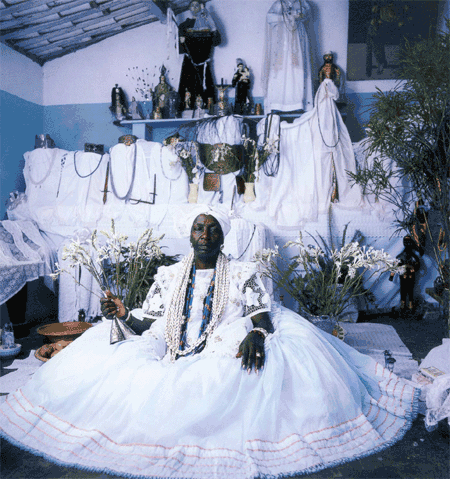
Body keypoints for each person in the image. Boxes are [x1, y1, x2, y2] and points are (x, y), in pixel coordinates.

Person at [0, 206, 419, 479]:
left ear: (222, 238)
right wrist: (123, 313)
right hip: (172, 346)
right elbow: (153, 320)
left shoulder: (243, 272)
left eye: (212, 229)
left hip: (221, 342)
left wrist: (257, 333)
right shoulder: (169, 275)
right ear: (190, 235)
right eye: (198, 227)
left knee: (235, 382)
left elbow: (259, 314)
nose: (204, 233)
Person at [262, 0, 314, 112]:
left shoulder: (302, 3)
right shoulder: (278, 4)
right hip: (281, 43)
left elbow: (305, 15)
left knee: (297, 71)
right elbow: (269, 18)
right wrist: (286, 18)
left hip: (297, 43)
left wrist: (294, 16)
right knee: (279, 72)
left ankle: (299, 104)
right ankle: (277, 103)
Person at [177, 1, 221, 113]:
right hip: (189, 62)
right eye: (192, 5)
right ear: (189, 8)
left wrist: (213, 27)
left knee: (206, 91)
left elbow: (217, 42)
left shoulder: (208, 23)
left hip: (204, 63)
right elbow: (180, 49)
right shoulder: (183, 26)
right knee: (187, 91)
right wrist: (181, 41)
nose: (195, 7)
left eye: (197, 5)